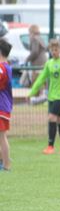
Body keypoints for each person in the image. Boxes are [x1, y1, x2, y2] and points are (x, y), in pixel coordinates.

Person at [29, 39, 60, 155]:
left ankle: (50, 146)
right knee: (59, 120)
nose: (54, 52)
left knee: (51, 117)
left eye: (56, 49)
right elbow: (41, 78)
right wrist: (32, 92)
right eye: (52, 50)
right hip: (51, 96)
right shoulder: (49, 63)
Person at [0, 39, 13, 172]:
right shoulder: (6, 66)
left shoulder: (2, 68)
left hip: (1, 106)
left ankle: (6, 164)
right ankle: (3, 161)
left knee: (2, 137)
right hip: (3, 106)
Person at [24, 24, 47, 91]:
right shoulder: (40, 38)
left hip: (37, 63)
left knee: (36, 81)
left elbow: (35, 52)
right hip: (43, 62)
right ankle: (42, 94)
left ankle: (36, 95)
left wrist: (27, 59)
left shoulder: (34, 39)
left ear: (31, 31)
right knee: (42, 81)